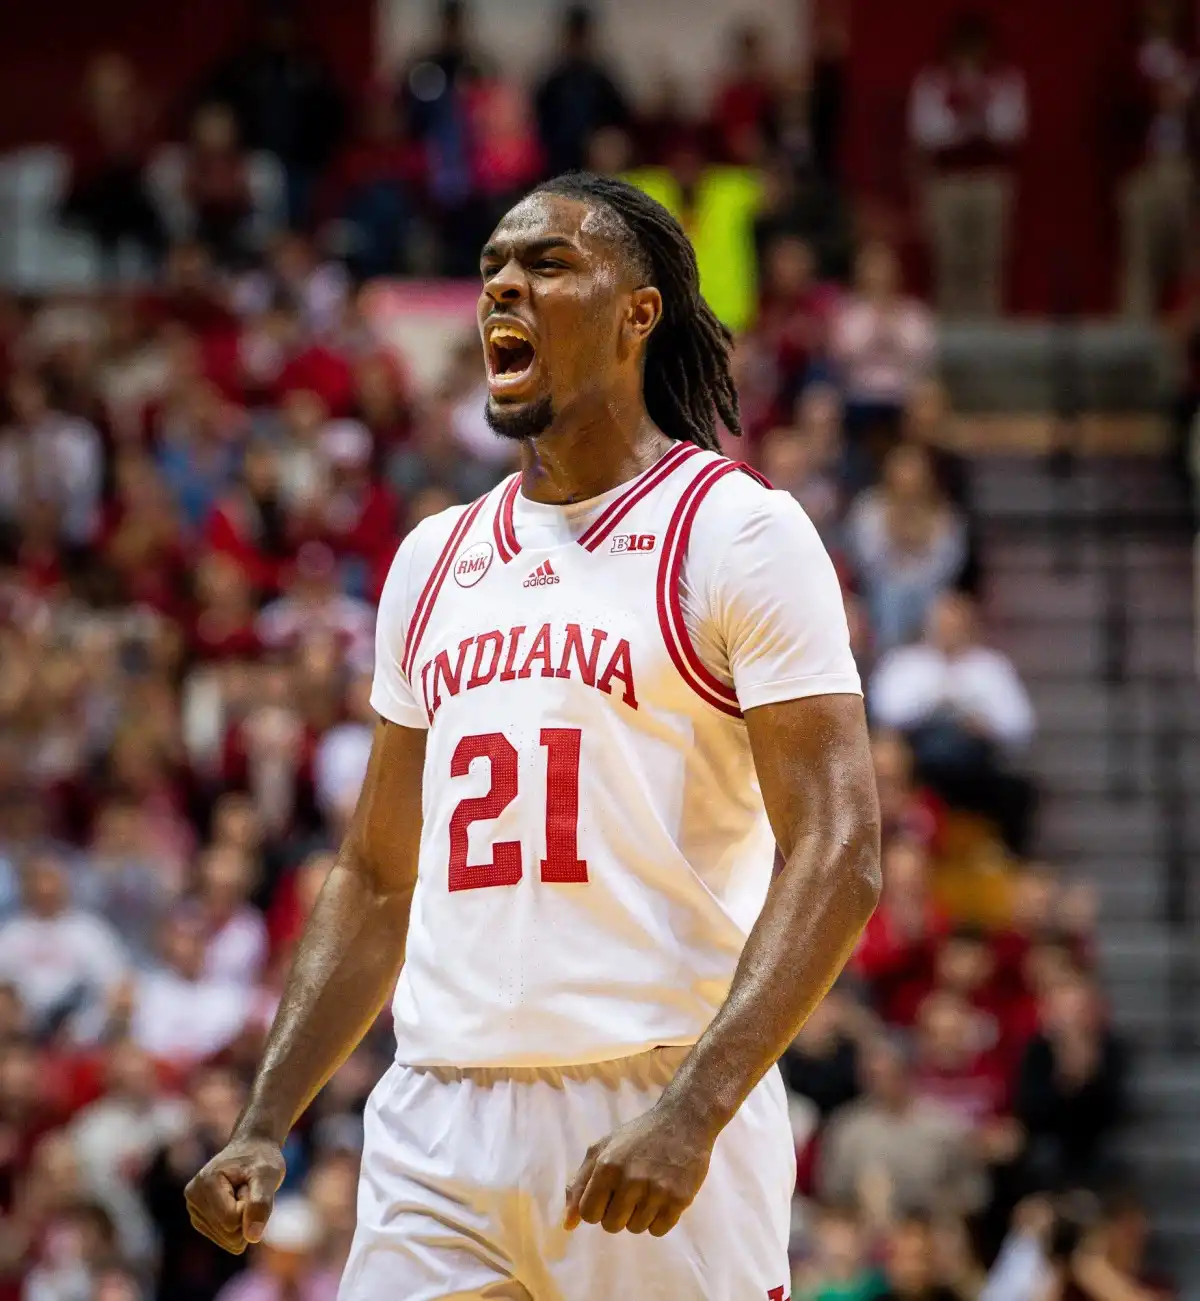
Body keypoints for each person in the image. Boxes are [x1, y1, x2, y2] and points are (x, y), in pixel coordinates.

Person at [185, 172, 881, 1298]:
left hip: (651, 1093)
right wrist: (267, 1116)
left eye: (547, 264)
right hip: (438, 1114)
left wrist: (697, 1106)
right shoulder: (432, 557)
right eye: (492, 270)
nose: (504, 286)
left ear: (637, 312)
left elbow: (841, 849)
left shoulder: (738, 532)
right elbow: (372, 874)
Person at [868, 592, 1037, 852]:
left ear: (969, 626)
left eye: (954, 625)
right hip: (918, 766)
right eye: (943, 624)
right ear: (929, 625)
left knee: (1017, 793)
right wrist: (931, 705)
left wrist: (986, 724)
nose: (948, 632)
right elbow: (884, 714)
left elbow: (1020, 726)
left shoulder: (991, 668)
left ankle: (1001, 861)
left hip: (973, 769)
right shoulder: (904, 664)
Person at [908, 12, 1027, 318]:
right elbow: (926, 131)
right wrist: (964, 123)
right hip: (948, 182)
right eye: (964, 49)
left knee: (988, 262)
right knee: (949, 261)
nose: (970, 57)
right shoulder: (934, 81)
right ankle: (950, 337)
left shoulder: (1004, 80)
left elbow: (1011, 128)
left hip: (990, 180)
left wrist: (979, 118)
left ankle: (988, 339)